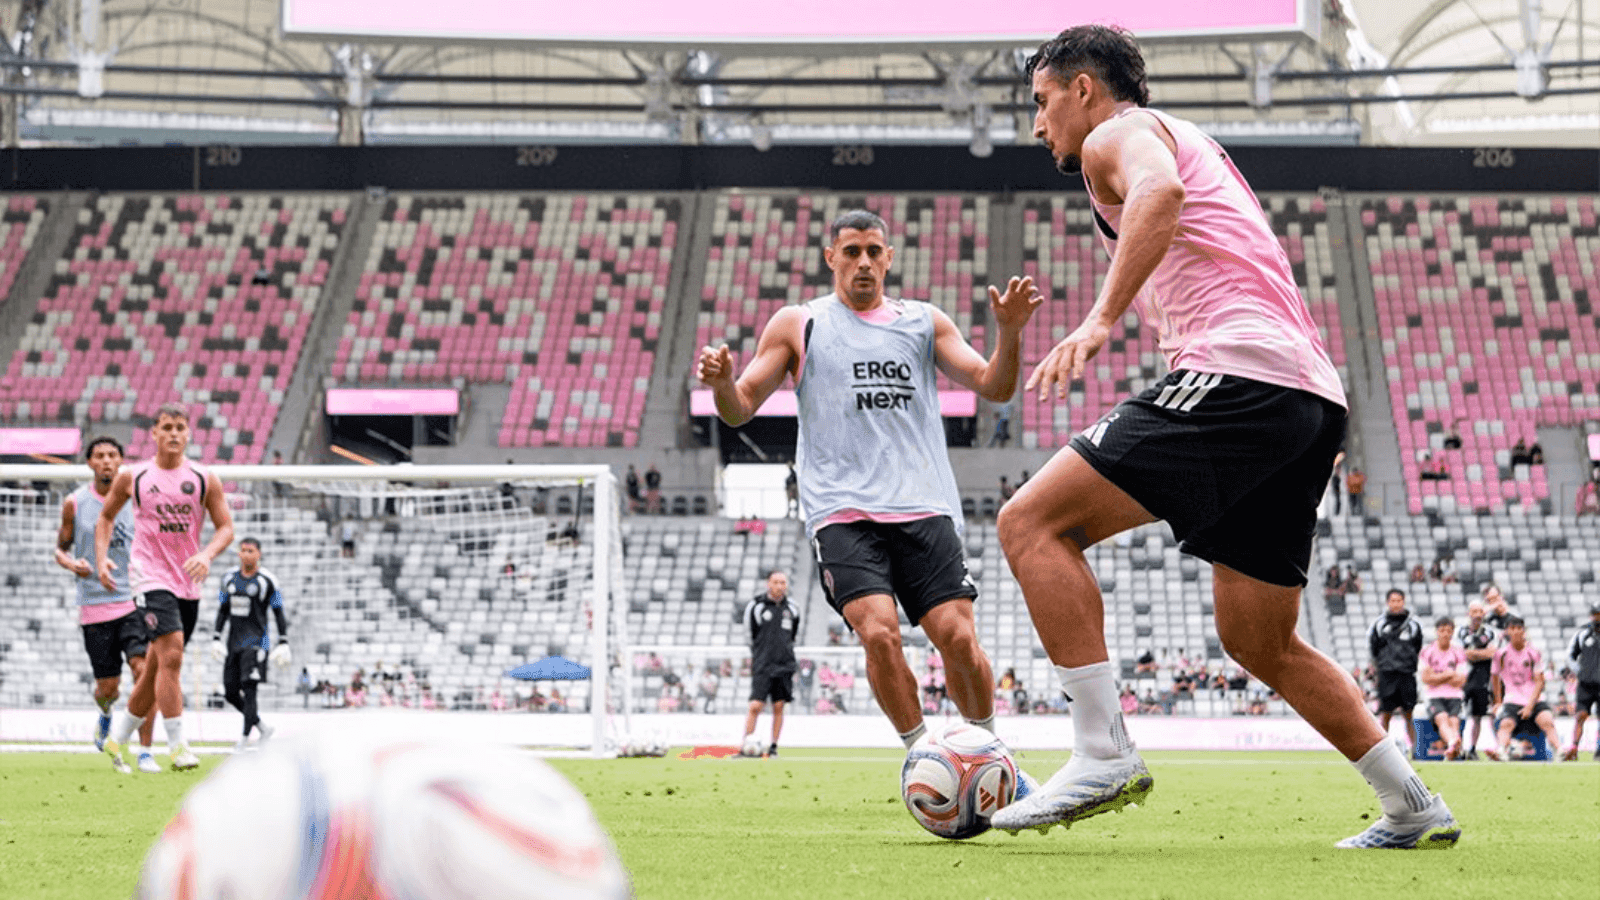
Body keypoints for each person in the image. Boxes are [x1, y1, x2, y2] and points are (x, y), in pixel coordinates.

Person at [991, 25, 1457, 849]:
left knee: (1030, 523)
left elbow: (1159, 195)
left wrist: (1100, 320)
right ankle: (1411, 802)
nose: (1037, 125)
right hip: (1307, 397)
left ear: (1084, 90)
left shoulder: (1119, 133)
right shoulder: (1183, 132)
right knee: (1257, 637)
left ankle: (1100, 750)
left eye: (1041, 101)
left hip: (1240, 374)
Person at [697, 208, 1042, 764]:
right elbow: (740, 410)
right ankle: (923, 756)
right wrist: (720, 385)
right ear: (830, 257)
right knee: (878, 633)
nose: (863, 262)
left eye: (874, 251)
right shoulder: (798, 322)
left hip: (924, 505)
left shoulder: (924, 321)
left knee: (956, 637)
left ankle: (988, 750)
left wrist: (1008, 333)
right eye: (851, 251)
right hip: (843, 512)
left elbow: (994, 385)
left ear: (889, 258)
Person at [97, 402, 236, 772]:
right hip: (149, 575)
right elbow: (106, 516)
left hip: (187, 579)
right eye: (167, 427)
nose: (174, 434)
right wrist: (101, 559)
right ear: (154, 433)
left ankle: (117, 738)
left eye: (180, 428)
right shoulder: (135, 476)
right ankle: (177, 746)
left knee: (160, 664)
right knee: (172, 654)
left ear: (188, 434)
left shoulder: (205, 478)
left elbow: (226, 527)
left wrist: (206, 555)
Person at [55, 436, 159, 773]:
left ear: (121, 461)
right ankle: (104, 714)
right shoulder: (75, 503)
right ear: (89, 463)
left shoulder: (138, 499)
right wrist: (72, 564)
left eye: (113, 455)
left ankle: (145, 751)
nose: (106, 461)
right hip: (94, 605)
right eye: (99, 456)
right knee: (108, 688)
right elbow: (60, 548)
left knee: (145, 671)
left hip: (133, 599)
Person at [210, 537, 292, 751]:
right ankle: (262, 726)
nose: (246, 554)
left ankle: (245, 739)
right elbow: (223, 609)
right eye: (243, 550)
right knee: (230, 692)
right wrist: (216, 637)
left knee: (250, 690)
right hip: (233, 643)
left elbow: (278, 611)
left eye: (250, 551)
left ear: (259, 554)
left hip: (256, 643)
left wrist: (283, 641)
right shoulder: (228, 579)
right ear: (238, 553)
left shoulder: (268, 581)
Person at [740, 570, 801, 756]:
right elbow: (749, 635)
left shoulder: (793, 608)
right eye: (776, 582)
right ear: (768, 584)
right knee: (755, 706)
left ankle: (773, 747)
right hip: (763, 664)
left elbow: (792, 635)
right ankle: (747, 744)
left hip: (785, 665)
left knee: (779, 706)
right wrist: (761, 654)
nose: (780, 586)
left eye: (783, 582)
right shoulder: (756, 606)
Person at [1487, 616, 1562, 760]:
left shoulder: (1534, 653)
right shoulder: (1500, 654)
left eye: (1518, 628)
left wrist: (1529, 706)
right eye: (1512, 628)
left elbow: (1540, 682)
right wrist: (1498, 701)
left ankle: (1560, 751)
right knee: (1506, 724)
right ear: (1507, 631)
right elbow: (1495, 677)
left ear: (1524, 631)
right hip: (1512, 698)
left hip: (1534, 698)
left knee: (1547, 720)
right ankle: (1501, 750)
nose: (1515, 632)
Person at [1369, 589, 1424, 753]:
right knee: (1386, 714)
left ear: (1404, 602)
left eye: (1399, 600)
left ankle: (1415, 751)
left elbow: (1417, 646)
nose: (1396, 604)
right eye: (1393, 601)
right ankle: (1382, 752)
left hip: (1407, 674)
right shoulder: (1379, 624)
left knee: (1409, 714)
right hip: (1387, 675)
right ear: (1388, 602)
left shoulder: (1414, 625)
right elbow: (1374, 649)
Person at [1418, 616, 1468, 760]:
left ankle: (1453, 748)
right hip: (1434, 696)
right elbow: (1426, 679)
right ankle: (1455, 743)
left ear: (1452, 633)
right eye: (1442, 630)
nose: (1445, 634)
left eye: (1448, 631)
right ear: (1437, 632)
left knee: (1454, 721)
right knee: (1442, 718)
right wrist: (1449, 674)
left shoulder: (1458, 652)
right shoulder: (1427, 651)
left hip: (1455, 695)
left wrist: (1437, 677)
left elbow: (1461, 681)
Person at [1455, 599, 1499, 760]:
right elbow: (1461, 654)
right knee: (1459, 714)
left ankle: (1473, 749)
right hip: (1463, 678)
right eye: (1474, 612)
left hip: (1483, 679)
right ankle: (1458, 747)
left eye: (1480, 612)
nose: (1478, 615)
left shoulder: (1490, 632)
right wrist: (1481, 653)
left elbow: (1494, 653)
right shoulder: (1461, 631)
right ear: (1469, 613)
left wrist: (1473, 654)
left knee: (1479, 715)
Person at [1563, 601, 1600, 760]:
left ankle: (1599, 751)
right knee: (1581, 715)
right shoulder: (1583, 633)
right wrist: (1579, 671)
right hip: (1585, 684)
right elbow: (1570, 655)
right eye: (1595, 613)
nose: (1596, 617)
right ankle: (1574, 748)